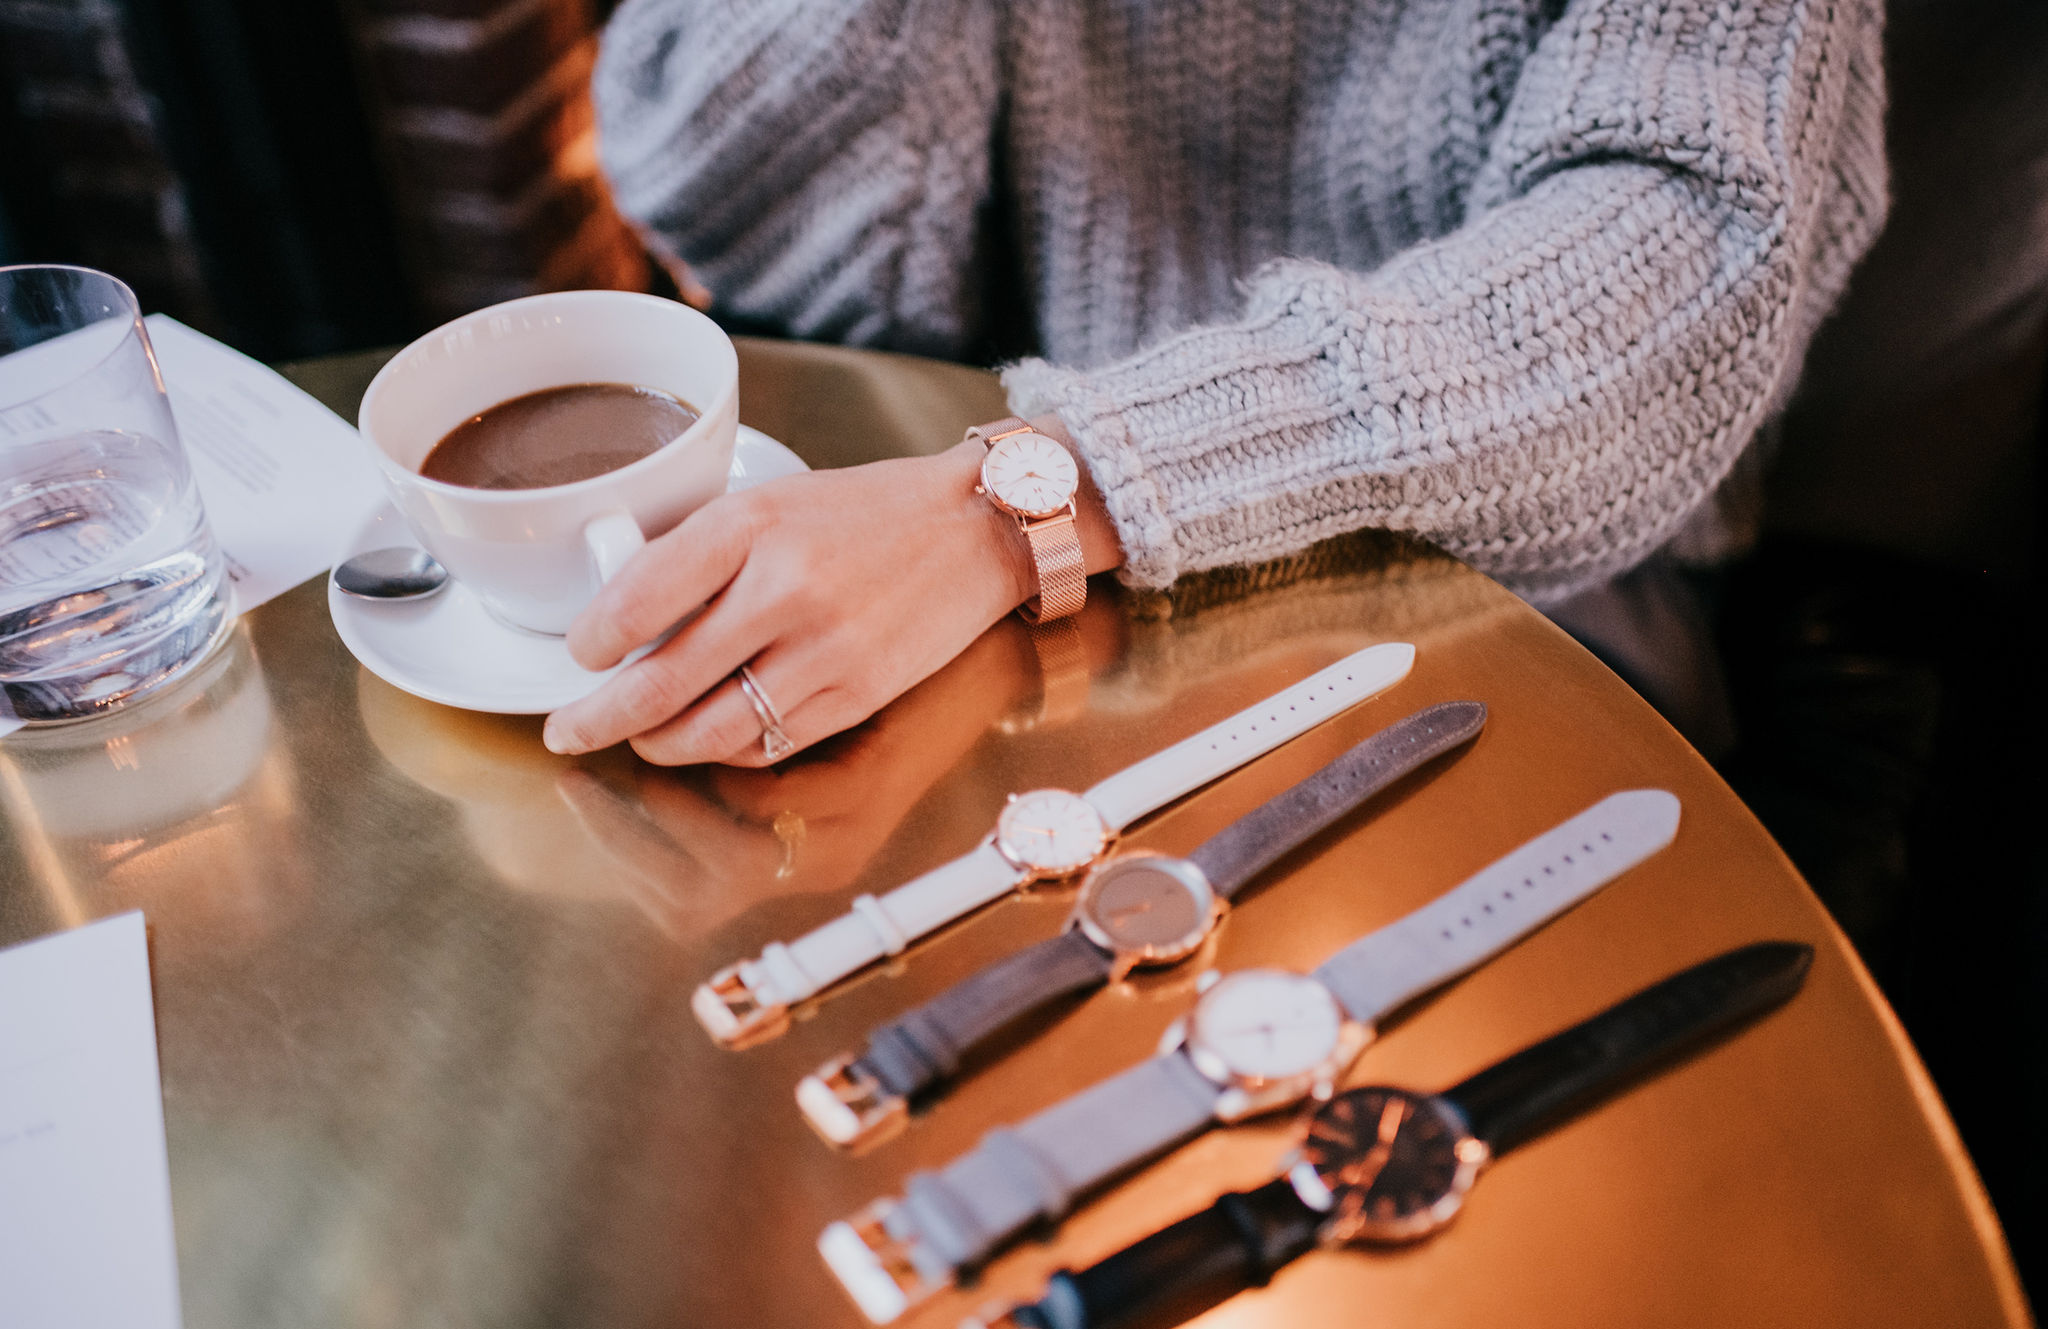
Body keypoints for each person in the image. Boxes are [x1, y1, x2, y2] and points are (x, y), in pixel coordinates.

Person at [540, 0, 1887, 766]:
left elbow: (1680, 252)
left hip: (1518, 565)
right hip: (972, 524)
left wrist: (1033, 502)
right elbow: (702, 177)